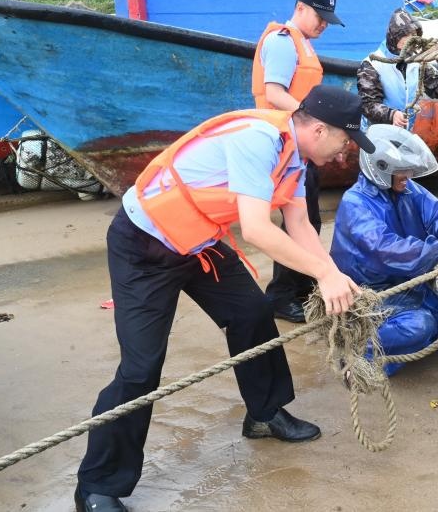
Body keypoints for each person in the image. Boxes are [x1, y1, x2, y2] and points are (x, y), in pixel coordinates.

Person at [74, 86, 374, 512]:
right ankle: (97, 486)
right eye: (346, 141)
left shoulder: (297, 159)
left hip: (199, 242)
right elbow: (255, 229)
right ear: (320, 129)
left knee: (253, 312)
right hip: (146, 245)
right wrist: (323, 274)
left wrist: (336, 275)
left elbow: (300, 227)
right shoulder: (260, 139)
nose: (346, 152)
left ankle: (264, 414)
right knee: (140, 369)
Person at [330, 124, 438, 376]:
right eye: (403, 170)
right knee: (421, 326)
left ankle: (404, 340)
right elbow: (384, 250)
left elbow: (432, 213)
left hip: (413, 288)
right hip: (373, 297)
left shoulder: (408, 188)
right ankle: (359, 354)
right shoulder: (355, 203)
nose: (409, 175)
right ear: (381, 167)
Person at [252, 0, 344, 323]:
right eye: (319, 17)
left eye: (327, 21)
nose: (323, 25)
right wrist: (317, 124)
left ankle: (306, 286)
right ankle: (282, 295)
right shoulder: (281, 41)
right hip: (286, 142)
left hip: (303, 143)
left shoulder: (302, 44)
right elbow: (274, 93)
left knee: (310, 220)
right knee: (297, 222)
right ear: (301, 8)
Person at [358, 8, 438, 131]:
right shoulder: (372, 64)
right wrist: (392, 115)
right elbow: (368, 104)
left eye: (413, 35)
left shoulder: (416, 62)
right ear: (394, 36)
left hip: (406, 130)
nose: (409, 39)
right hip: (377, 132)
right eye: (404, 35)